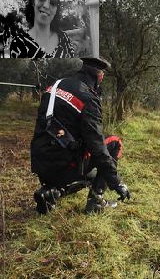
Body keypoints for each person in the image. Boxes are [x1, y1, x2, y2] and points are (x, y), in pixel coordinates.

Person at [30, 57, 131, 214]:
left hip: (40, 164)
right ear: (99, 76)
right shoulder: (88, 99)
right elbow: (98, 148)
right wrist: (116, 182)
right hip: (64, 168)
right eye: (103, 74)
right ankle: (96, 203)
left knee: (81, 161)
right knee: (114, 142)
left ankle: (50, 193)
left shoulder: (55, 86)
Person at [10, 0, 74, 58]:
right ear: (33, 1)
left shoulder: (64, 39)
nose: (46, 6)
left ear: (56, 9)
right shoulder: (19, 44)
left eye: (53, 2)